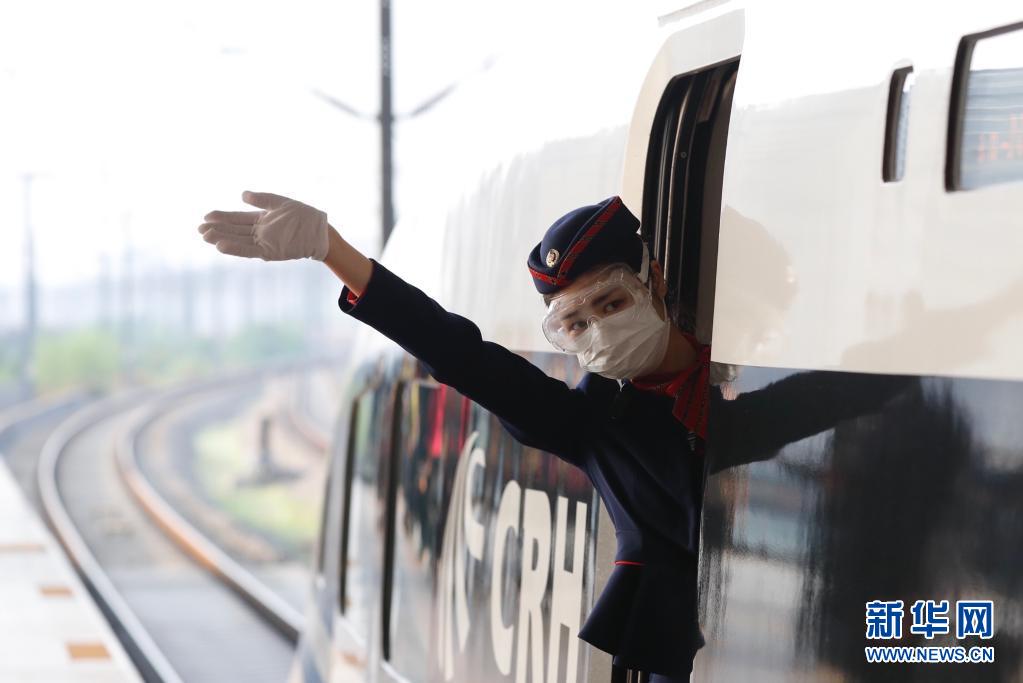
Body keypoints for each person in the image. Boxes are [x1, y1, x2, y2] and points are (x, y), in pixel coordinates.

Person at [197, 191, 911, 681]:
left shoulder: (732, 371)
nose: (597, 332)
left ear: (655, 281)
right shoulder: (589, 425)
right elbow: (457, 351)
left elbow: (818, 398)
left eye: (611, 302)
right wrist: (333, 250)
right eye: (573, 324)